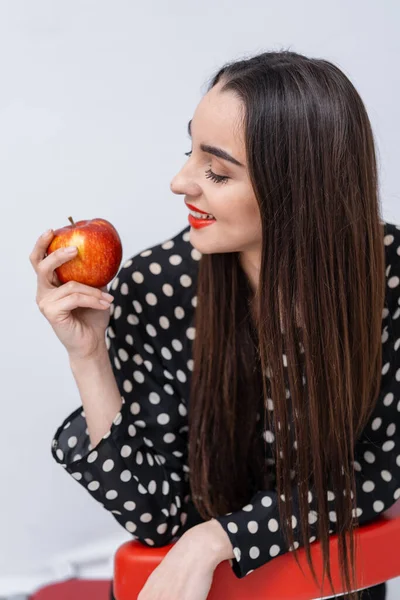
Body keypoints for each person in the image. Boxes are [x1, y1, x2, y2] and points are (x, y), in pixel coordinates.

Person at [29, 50, 400, 600]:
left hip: (329, 584)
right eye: (190, 151)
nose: (180, 182)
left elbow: (373, 475)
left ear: (298, 188)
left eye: (217, 171)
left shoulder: (387, 278)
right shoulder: (153, 285)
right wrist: (88, 356)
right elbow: (154, 515)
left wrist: (218, 539)